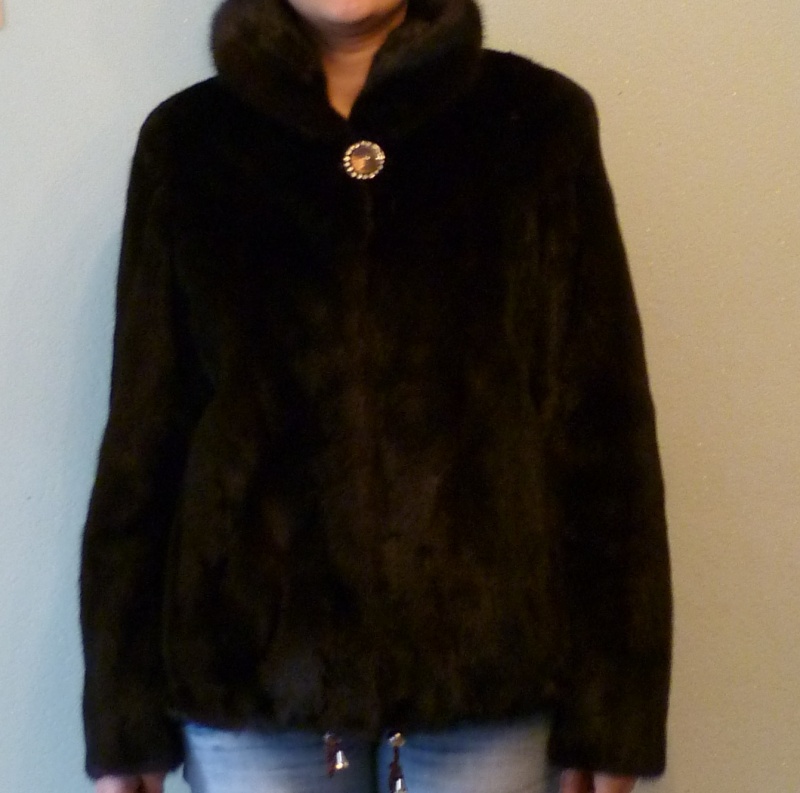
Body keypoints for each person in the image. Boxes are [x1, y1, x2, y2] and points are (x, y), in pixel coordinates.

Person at [80, 1, 672, 792]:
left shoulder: (535, 125)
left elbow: (602, 427)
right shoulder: (190, 142)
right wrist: (124, 719)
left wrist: (614, 705)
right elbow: (144, 437)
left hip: (487, 677)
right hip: (251, 677)